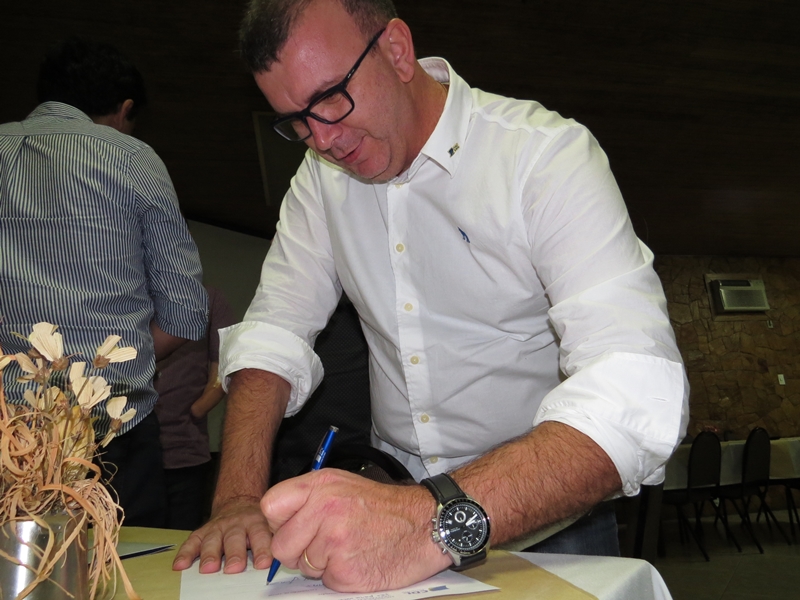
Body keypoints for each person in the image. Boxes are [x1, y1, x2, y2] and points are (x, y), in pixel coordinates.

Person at [173, 0, 689, 591]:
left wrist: (427, 519)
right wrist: (237, 498)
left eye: (331, 98)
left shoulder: (542, 155)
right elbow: (274, 331)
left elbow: (635, 382)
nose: (324, 140)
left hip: (545, 519)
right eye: (297, 121)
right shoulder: (319, 181)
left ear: (396, 51)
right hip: (393, 503)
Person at [0, 38, 208, 527]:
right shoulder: (133, 159)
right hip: (113, 435)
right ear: (125, 109)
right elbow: (185, 315)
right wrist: (104, 368)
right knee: (124, 561)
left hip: (8, 433)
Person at [154, 285, 236, 530]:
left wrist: (198, 409)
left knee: (184, 532)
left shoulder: (209, 298)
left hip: (186, 450)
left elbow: (224, 361)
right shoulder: (124, 295)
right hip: (125, 450)